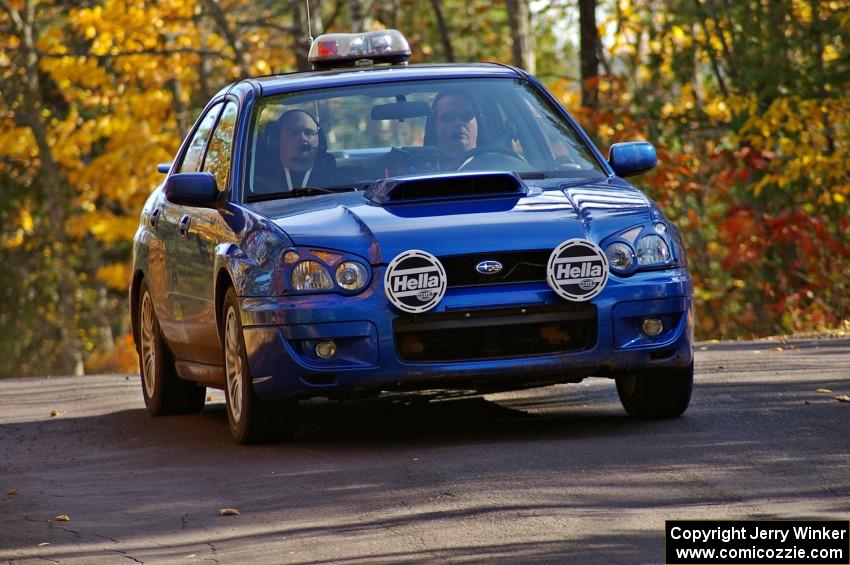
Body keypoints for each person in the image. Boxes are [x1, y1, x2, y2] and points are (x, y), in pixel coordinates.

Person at [253, 109, 338, 194]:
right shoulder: (256, 184)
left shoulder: (339, 183)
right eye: (294, 133)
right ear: (275, 140)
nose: (303, 138)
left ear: (320, 139)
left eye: (309, 133)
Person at [424, 91, 480, 170]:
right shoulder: (419, 172)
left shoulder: (498, 166)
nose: (458, 122)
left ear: (478, 123)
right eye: (448, 117)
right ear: (432, 127)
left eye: (466, 116)